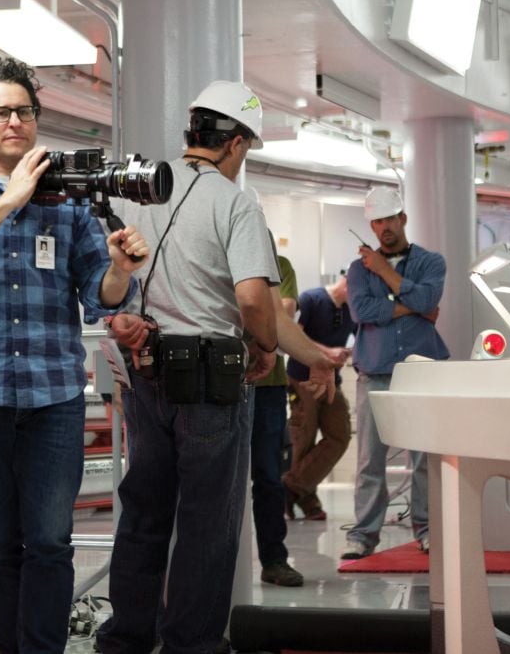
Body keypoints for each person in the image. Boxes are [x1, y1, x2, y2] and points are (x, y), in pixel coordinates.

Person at [96, 81, 344, 654]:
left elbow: (126, 284)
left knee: (144, 515)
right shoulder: (235, 203)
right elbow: (256, 304)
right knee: (208, 526)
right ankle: (193, 644)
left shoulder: (141, 191)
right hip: (209, 385)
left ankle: (126, 640)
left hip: (148, 374)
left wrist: (312, 355)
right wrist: (264, 347)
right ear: (234, 144)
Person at [0, 56, 148, 653]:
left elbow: (100, 296)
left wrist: (121, 270)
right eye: (1, 112)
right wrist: (10, 200)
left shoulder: (70, 206)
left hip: (54, 399)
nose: (15, 121)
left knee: (49, 543)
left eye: (25, 111)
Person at [343, 186, 447, 560]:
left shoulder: (431, 262)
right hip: (374, 370)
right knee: (370, 460)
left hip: (422, 373)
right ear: (371, 225)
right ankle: (364, 535)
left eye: (389, 219)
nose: (384, 227)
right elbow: (361, 313)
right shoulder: (357, 270)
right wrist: (411, 306)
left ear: (402, 218)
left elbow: (427, 300)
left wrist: (385, 272)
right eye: (377, 221)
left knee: (424, 458)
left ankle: (428, 529)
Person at [249, 252, 305, 588]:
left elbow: (283, 314)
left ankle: (274, 559)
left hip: (268, 386)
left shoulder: (278, 263)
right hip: (219, 382)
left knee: (269, 477)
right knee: (211, 480)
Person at [284, 271, 355, 523]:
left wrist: (349, 353)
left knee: (340, 435)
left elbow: (362, 340)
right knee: (303, 436)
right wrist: (328, 352)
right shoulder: (311, 299)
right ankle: (307, 499)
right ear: (348, 280)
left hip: (331, 381)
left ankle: (291, 487)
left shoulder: (351, 310)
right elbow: (294, 335)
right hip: (302, 377)